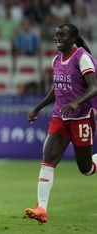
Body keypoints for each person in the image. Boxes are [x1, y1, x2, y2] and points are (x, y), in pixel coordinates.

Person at [24, 24, 97, 224]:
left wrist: (76, 102)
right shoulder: (56, 59)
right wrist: (38, 108)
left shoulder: (81, 57)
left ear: (73, 38)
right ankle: (41, 209)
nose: (58, 38)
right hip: (60, 117)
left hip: (81, 117)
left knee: (86, 169)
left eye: (62, 35)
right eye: (56, 35)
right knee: (48, 159)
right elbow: (57, 90)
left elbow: (94, 87)